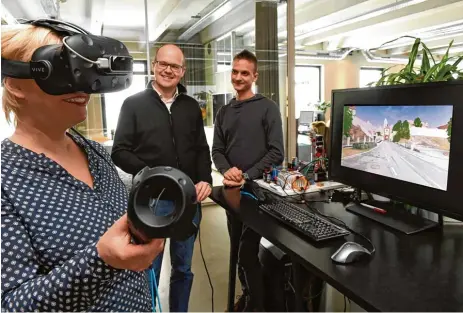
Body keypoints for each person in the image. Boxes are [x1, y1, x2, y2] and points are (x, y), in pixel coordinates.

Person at [0, 24, 165, 312]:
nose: (81, 85)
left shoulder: (94, 152)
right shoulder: (6, 178)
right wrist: (101, 261)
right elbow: (13, 305)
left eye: (83, 70)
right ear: (14, 83)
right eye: (63, 71)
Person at [111, 44, 213, 312]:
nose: (168, 70)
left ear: (182, 72)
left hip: (188, 200)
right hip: (151, 201)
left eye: (175, 66)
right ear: (154, 66)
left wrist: (205, 180)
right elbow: (119, 151)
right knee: (148, 268)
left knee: (183, 268)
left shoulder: (191, 106)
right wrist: (150, 174)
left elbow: (201, 148)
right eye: (163, 64)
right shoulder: (133, 104)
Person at [212, 49, 285, 311]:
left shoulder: (267, 108)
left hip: (260, 193)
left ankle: (257, 304)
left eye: (244, 73)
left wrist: (247, 175)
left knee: (246, 251)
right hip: (233, 191)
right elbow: (217, 151)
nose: (238, 77)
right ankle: (248, 295)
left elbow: (277, 152)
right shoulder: (223, 112)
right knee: (237, 251)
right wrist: (228, 171)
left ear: (254, 76)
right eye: (235, 71)